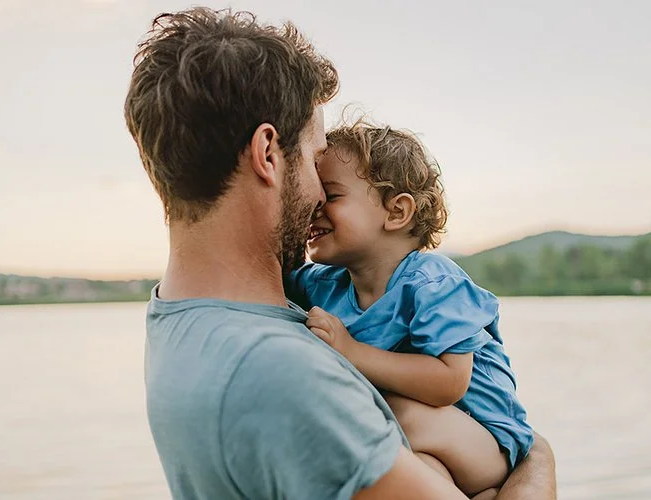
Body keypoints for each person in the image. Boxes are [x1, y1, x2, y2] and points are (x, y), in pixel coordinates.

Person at [124, 6, 556, 499]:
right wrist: (539, 459)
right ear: (268, 154)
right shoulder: (282, 370)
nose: (318, 199)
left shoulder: (181, 315)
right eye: (312, 158)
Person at [285, 121, 534, 497]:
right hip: (430, 448)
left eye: (331, 196)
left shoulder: (432, 283)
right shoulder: (323, 283)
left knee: (386, 412)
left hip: (488, 442)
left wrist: (351, 351)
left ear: (397, 211)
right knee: (417, 470)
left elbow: (449, 383)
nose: (314, 208)